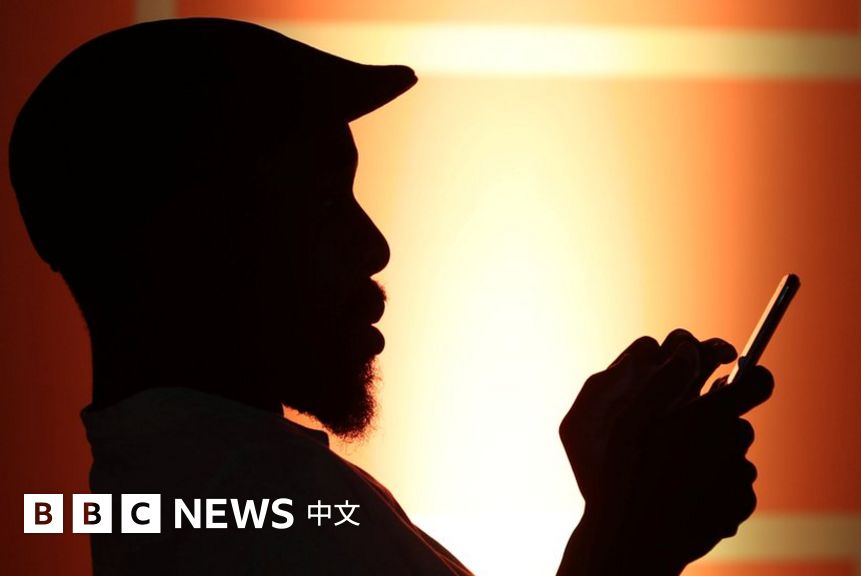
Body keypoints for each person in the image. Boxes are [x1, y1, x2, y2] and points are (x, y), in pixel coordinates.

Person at [9, 17, 774, 575]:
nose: (371, 246)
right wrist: (625, 542)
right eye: (320, 200)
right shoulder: (252, 520)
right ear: (191, 242)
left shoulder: (220, 495)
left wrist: (623, 526)